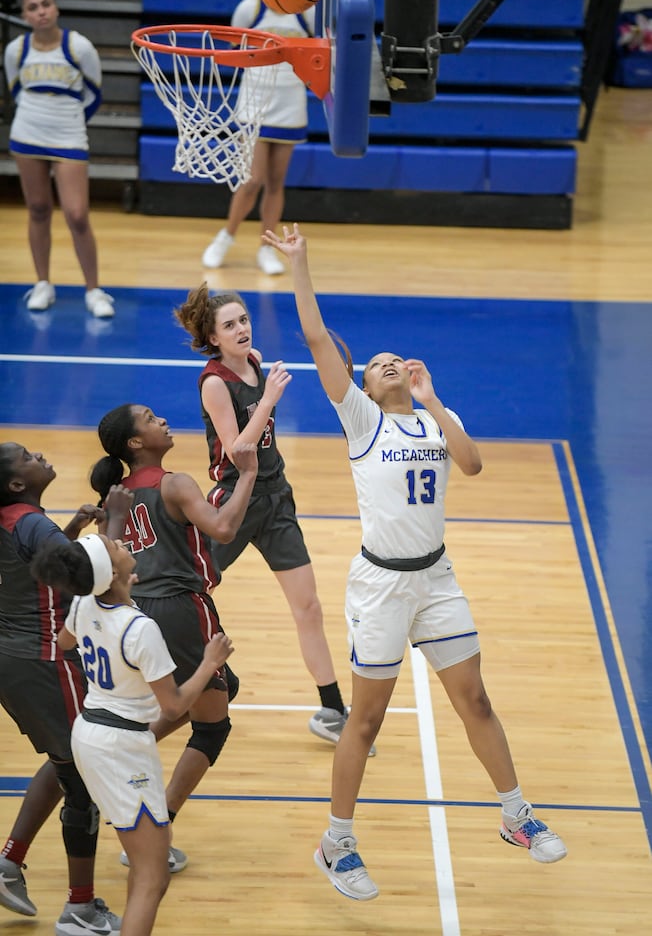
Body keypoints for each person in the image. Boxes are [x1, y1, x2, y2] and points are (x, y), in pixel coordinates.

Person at [263, 223, 568, 900]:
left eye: (395, 358)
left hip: (436, 577)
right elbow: (318, 340)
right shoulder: (362, 421)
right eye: (377, 365)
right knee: (365, 721)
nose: (389, 361)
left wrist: (434, 400)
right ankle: (336, 842)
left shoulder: (433, 416)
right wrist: (300, 264)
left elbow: (475, 463)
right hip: (381, 587)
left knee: (476, 699)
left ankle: (516, 815)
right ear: (365, 388)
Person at [173, 285, 366, 754]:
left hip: (276, 499)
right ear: (213, 338)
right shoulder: (214, 382)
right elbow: (239, 450)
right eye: (230, 325)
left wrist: (266, 392)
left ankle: (331, 710)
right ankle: (150, 679)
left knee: (309, 607)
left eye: (243, 320)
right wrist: (269, 399)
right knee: (185, 590)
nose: (242, 329)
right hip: (233, 502)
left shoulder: (255, 361)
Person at [31, 532, 235, 936]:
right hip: (121, 748)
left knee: (147, 868)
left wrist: (114, 605)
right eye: (117, 547)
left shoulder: (86, 603)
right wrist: (209, 662)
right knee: (153, 877)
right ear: (112, 572)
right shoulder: (140, 629)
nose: (125, 545)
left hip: (90, 732)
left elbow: (65, 640)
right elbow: (175, 706)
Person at [88, 403, 258, 867]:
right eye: (149, 418)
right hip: (182, 611)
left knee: (223, 688)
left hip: (136, 613)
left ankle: (118, 756)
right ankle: (155, 831)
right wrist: (247, 476)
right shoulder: (175, 483)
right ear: (136, 442)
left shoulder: (115, 498)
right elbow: (223, 529)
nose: (162, 418)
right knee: (212, 726)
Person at [0, 440, 127, 932]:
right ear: (17, 484)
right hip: (46, 659)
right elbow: (99, 580)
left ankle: (10, 862)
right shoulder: (32, 523)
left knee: (65, 761)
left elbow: (32, 570)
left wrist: (71, 530)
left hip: (14, 660)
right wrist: (112, 522)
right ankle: (80, 908)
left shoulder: (16, 520)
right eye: (29, 456)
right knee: (84, 782)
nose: (41, 455)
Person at [201, 0, 317, 277]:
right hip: (255, 102)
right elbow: (232, 54)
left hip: (291, 101)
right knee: (252, 180)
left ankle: (266, 248)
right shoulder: (249, 8)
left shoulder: (308, 12)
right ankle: (226, 236)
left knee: (276, 183)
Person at [3, 0, 114, 317]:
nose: (40, 11)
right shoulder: (15, 50)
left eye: (46, 4)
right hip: (27, 135)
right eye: (33, 7)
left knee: (77, 214)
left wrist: (69, 122)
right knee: (37, 209)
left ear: (56, 7)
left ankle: (94, 290)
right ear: (25, 15)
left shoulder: (78, 46)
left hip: (68, 135)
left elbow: (94, 94)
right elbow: (15, 91)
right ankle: (42, 284)